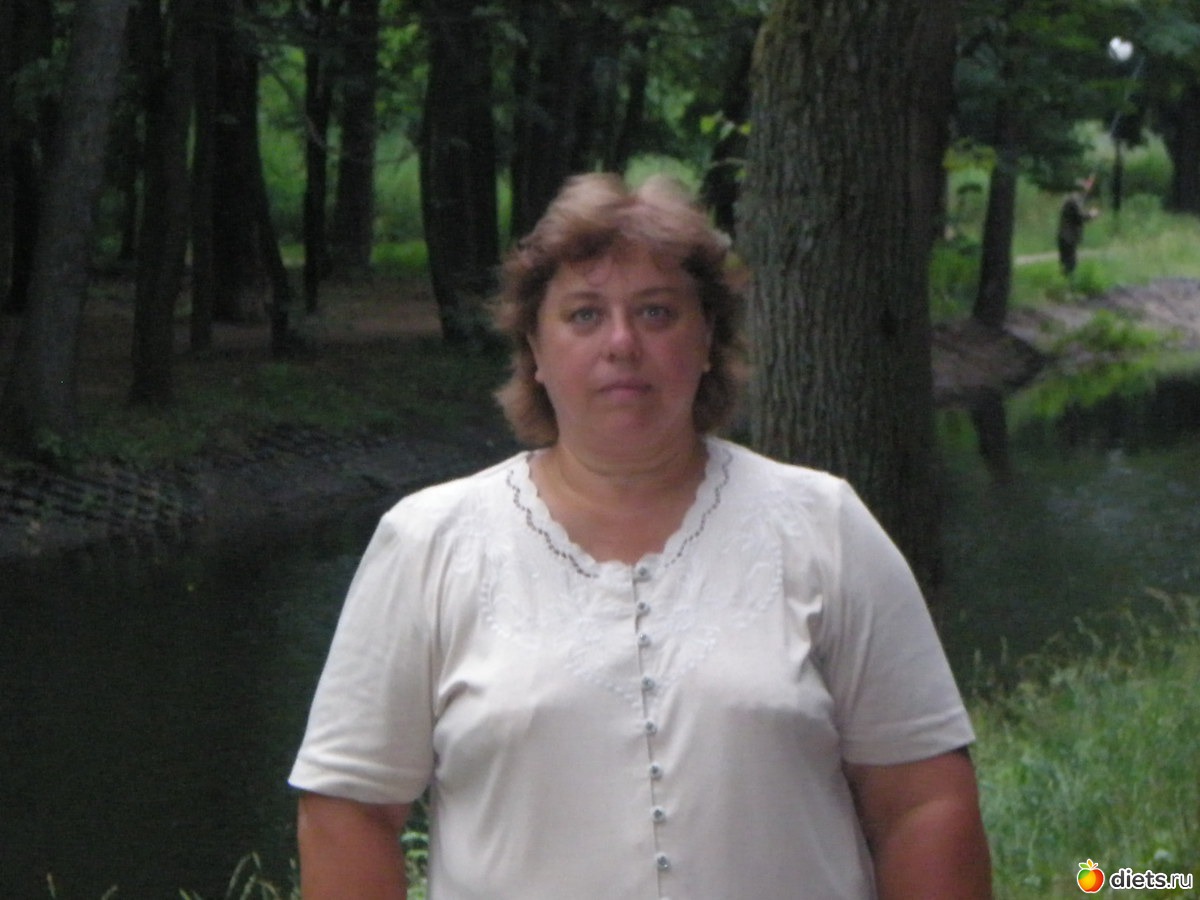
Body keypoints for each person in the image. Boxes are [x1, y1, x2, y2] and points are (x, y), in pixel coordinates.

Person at [289, 173, 993, 899]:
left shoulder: (824, 526)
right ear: (534, 347)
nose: (622, 343)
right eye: (585, 315)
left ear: (708, 336)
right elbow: (348, 807)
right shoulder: (430, 543)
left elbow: (923, 802)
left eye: (657, 312)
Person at [1057, 175, 1100, 276]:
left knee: (1067, 264)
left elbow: (1080, 205)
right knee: (1070, 264)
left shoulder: (1071, 199)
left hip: (1066, 236)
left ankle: (1065, 282)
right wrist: (1091, 214)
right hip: (1068, 237)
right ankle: (1067, 283)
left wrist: (1088, 184)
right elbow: (1080, 216)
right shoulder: (1074, 200)